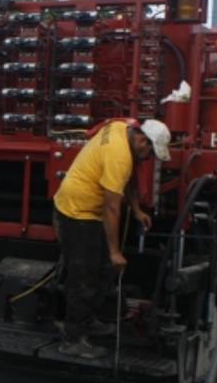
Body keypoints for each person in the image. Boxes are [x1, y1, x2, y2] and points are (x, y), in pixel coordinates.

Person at [51, 118, 170, 358]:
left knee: (103, 269)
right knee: (84, 276)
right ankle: (72, 339)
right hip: (76, 213)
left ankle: (88, 321)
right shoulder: (118, 156)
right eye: (150, 151)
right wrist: (115, 252)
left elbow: (133, 176)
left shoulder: (121, 129)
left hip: (88, 211)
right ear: (141, 139)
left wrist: (136, 210)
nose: (149, 157)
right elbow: (112, 208)